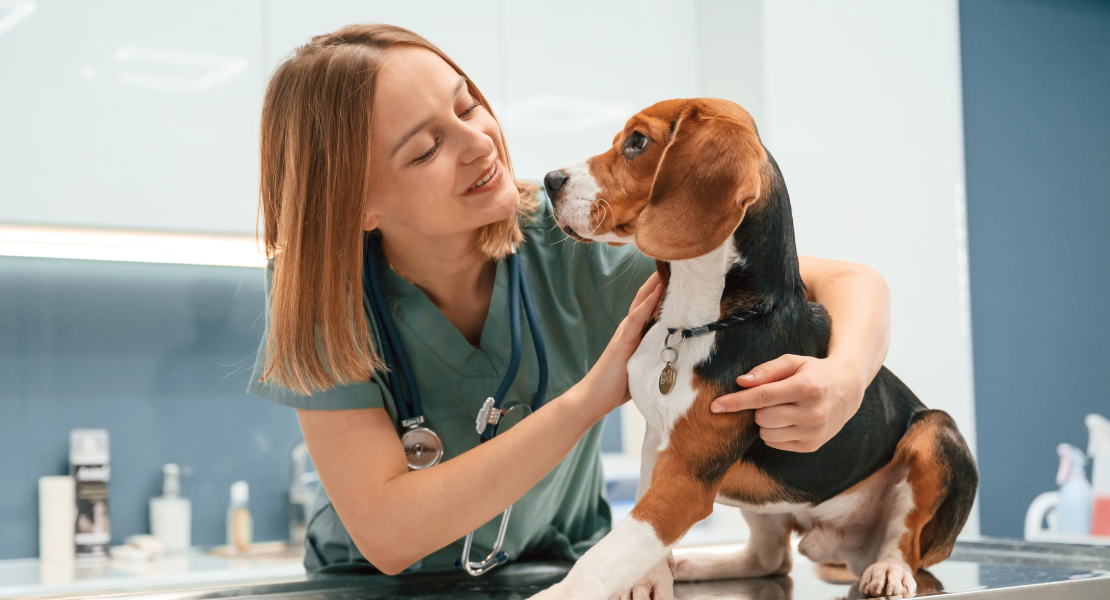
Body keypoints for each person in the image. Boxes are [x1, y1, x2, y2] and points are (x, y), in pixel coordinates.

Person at [248, 24, 892, 576]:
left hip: (559, 571)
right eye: (426, 148)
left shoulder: (571, 240)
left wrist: (843, 377)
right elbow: (389, 535)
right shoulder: (318, 295)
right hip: (372, 588)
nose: (479, 143)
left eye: (467, 106)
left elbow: (846, 282)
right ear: (356, 204)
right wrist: (591, 399)